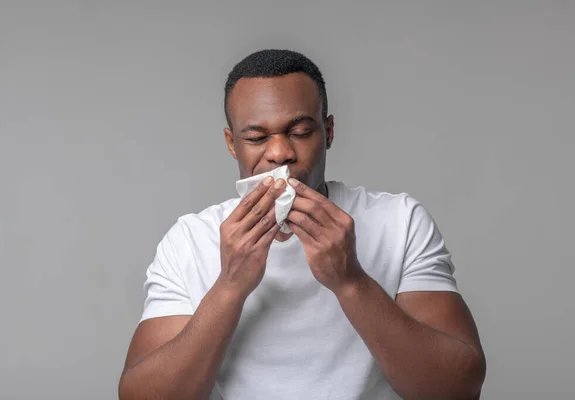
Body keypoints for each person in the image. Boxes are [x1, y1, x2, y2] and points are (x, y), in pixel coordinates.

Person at [118, 49, 486, 400]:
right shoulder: (189, 241)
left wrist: (351, 281)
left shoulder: (400, 222)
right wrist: (229, 287)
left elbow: (457, 389)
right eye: (257, 137)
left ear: (328, 132)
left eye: (300, 131)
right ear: (233, 143)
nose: (280, 153)